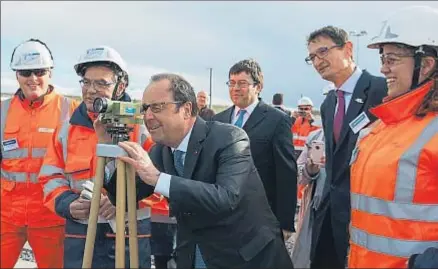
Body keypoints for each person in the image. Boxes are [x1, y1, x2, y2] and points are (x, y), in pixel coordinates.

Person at [103, 73, 294, 269]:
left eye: (157, 107)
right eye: (145, 109)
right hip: (195, 255)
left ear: (186, 109)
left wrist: (158, 178)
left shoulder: (230, 138)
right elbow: (123, 198)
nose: (148, 117)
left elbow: (225, 198)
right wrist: (109, 148)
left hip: (246, 258)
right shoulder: (160, 151)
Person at [38, 46, 152, 268]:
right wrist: (67, 203)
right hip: (80, 234)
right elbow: (50, 177)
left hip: (129, 235)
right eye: (87, 82)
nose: (91, 90)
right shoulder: (66, 130)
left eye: (102, 83)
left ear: (121, 86)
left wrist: (126, 200)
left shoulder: (142, 128)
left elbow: (159, 183)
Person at [348, 6, 438, 268]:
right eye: (382, 59)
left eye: (392, 59)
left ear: (427, 65)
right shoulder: (380, 128)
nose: (383, 69)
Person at [305, 26, 388, 268]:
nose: (318, 61)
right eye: (312, 57)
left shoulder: (382, 91)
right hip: (330, 218)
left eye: (323, 51)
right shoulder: (329, 103)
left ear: (348, 48)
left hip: (366, 218)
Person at [0, 39, 79, 268]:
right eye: (26, 72)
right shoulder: (3, 111)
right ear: (17, 75)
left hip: (52, 218)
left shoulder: (70, 111)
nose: (33, 78)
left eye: (39, 71)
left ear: (50, 73)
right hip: (6, 218)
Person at [213, 59, 297, 241]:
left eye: (242, 83)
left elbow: (286, 172)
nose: (235, 88)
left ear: (258, 87)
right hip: (223, 215)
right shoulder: (218, 120)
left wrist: (285, 222)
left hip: (261, 216)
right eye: (232, 83)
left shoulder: (277, 120)